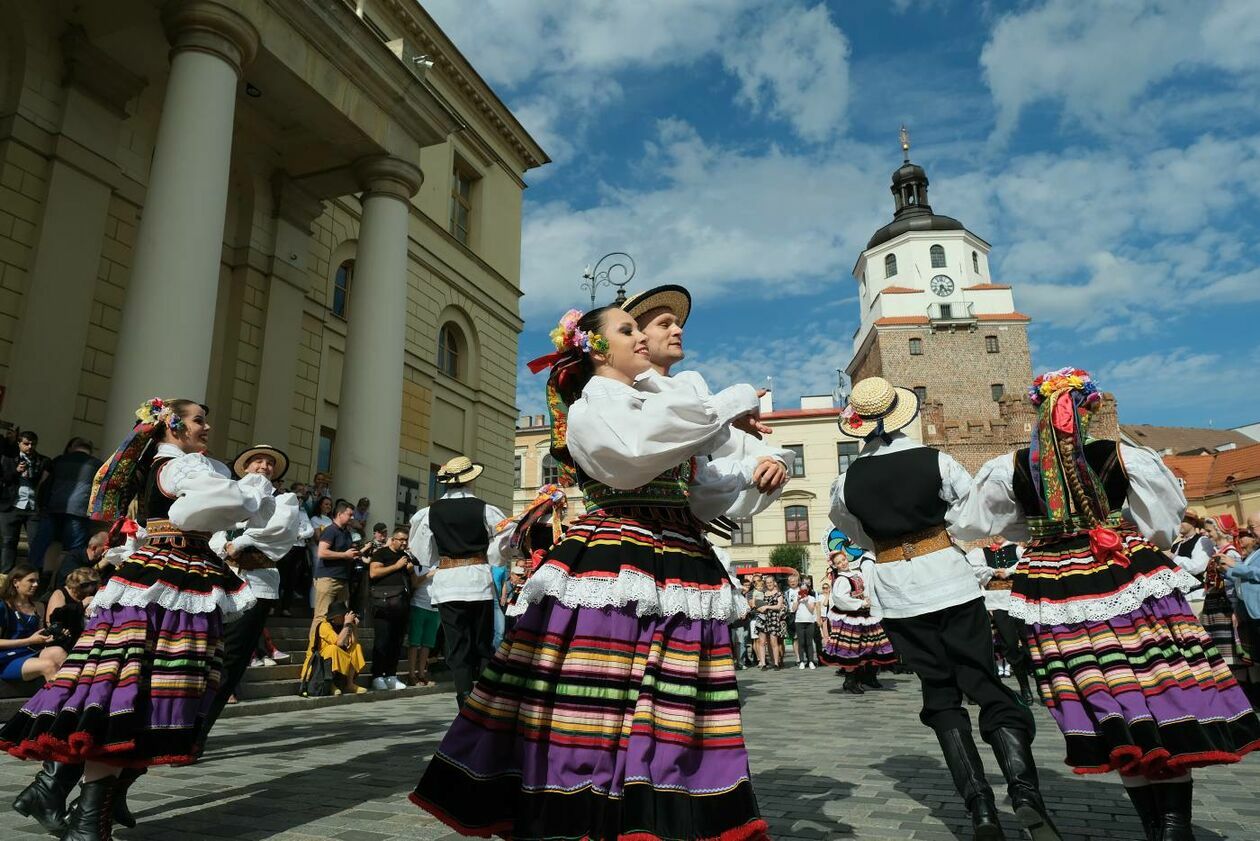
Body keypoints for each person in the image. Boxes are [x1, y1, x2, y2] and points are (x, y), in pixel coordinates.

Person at [411, 305, 770, 840]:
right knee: (597, 697)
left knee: (673, 700)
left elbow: (691, 490)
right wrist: (730, 403)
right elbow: (635, 452)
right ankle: (587, 816)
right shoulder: (591, 409)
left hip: (678, 558)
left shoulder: (660, 404)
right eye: (628, 330)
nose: (643, 337)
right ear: (596, 348)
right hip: (616, 559)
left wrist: (756, 466)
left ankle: (661, 814)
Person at [955, 368, 1260, 841]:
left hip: (1054, 586)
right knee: (1158, 681)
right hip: (1123, 567)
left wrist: (1041, 529)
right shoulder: (1123, 455)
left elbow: (976, 524)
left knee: (1103, 695)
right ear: (1090, 410)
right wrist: (1127, 534)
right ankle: (1174, 825)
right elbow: (1161, 523)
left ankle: (1155, 824)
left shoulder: (1011, 467)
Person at [2, 398, 270, 840]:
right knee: (139, 691)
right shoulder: (177, 467)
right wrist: (255, 484)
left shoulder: (173, 466)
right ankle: (85, 819)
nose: (207, 428)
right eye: (199, 421)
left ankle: (63, 797)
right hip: (166, 585)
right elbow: (212, 505)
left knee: (149, 691)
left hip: (173, 579)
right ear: (172, 426)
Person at [830, 376, 1053, 840]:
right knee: (984, 683)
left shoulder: (845, 481)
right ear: (899, 413)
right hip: (949, 581)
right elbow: (969, 517)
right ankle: (1025, 793)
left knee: (940, 694)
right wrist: (937, 532)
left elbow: (856, 534)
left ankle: (980, 810)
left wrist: (893, 540)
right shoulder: (937, 460)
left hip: (897, 590)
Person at [205, 444, 302, 728]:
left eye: (270, 463)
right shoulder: (226, 496)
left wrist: (241, 542)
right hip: (220, 578)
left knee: (233, 653)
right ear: (245, 467)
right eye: (257, 461)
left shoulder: (284, 500)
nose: (264, 466)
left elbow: (277, 531)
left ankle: (202, 725)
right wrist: (223, 546)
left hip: (256, 582)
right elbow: (213, 528)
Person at [407, 456, 509, 709]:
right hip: (478, 580)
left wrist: (440, 557)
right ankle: (486, 699)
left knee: (457, 643)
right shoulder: (485, 509)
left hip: (447, 582)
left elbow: (421, 553)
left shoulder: (429, 512)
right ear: (470, 479)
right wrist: (492, 556)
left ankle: (464, 696)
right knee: (482, 642)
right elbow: (503, 542)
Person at [821, 531, 897, 694]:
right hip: (852, 616)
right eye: (839, 562)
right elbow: (840, 598)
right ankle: (850, 681)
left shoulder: (856, 573)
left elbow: (866, 586)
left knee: (870, 646)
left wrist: (867, 600)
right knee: (851, 649)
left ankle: (868, 677)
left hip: (864, 614)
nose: (842, 563)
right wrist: (861, 602)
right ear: (835, 565)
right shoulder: (841, 579)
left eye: (843, 560)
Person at [965, 537, 1036, 706]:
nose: (997, 536)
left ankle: (1036, 684)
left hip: (1017, 599)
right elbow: (974, 571)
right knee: (1010, 644)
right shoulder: (982, 553)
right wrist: (991, 571)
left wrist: (1009, 571)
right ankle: (1022, 688)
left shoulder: (1015, 549)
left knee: (1029, 642)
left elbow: (1028, 561)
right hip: (996, 603)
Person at [29, 438, 102, 583]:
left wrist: (41, 505)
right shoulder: (97, 465)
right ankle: (66, 584)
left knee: (40, 546)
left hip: (53, 507)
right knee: (74, 551)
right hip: (79, 510)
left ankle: (31, 576)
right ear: (90, 450)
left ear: (72, 448)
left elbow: (44, 484)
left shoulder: (59, 460)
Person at [0, 564, 64, 684]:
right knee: (48, 665)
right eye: (31, 581)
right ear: (15, 582)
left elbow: (38, 637)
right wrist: (29, 640)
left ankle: (74, 697)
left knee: (58, 651)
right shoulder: (3, 606)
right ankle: (57, 701)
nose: (36, 584)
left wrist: (48, 637)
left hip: (30, 652)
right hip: (7, 658)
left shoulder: (38, 607)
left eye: (37, 581)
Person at [368, 527, 412, 691]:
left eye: (406, 540)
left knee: (396, 641)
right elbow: (373, 573)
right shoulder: (382, 553)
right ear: (393, 540)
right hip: (383, 604)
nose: (404, 542)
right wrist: (396, 566)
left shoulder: (405, 557)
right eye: (401, 539)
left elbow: (412, 580)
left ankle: (391, 675)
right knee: (382, 640)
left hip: (401, 605)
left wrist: (410, 570)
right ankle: (377, 675)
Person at [1, 430, 47, 573]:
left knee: (35, 543)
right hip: (11, 505)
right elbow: (3, 479)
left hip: (32, 506)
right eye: (26, 444)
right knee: (8, 542)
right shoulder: (7, 459)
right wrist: (15, 471)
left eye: (33, 444)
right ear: (19, 443)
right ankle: (4, 574)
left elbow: (46, 473)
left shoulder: (41, 460)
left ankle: (32, 575)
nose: (30, 447)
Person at [311, 500, 359, 635]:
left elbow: (346, 554)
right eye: (349, 514)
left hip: (342, 579)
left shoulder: (346, 533)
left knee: (341, 616)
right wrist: (344, 555)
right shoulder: (330, 530)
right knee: (321, 616)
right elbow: (322, 552)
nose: (352, 518)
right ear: (339, 514)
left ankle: (334, 647)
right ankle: (313, 651)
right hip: (328, 578)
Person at [301, 600, 366, 696]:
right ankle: (330, 684)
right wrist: (347, 624)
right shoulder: (324, 625)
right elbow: (339, 643)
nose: (345, 616)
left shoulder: (343, 625)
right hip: (320, 664)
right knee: (333, 648)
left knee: (356, 647)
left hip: (336, 658)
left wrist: (354, 626)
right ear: (336, 616)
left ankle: (349, 684)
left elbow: (354, 642)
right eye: (343, 614)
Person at [406, 547, 438, 687]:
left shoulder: (439, 561)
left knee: (427, 644)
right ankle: (411, 674)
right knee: (415, 642)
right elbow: (415, 583)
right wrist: (431, 574)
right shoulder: (417, 562)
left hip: (435, 607)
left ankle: (422, 674)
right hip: (418, 604)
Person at [1169, 513, 1213, 609]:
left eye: (1182, 520)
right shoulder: (1176, 545)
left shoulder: (1203, 540)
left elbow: (1197, 567)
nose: (1178, 524)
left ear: (1193, 522)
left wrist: (1173, 557)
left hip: (1195, 596)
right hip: (1179, 598)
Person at [793, 578, 818, 669]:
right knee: (801, 642)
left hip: (810, 621)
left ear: (807, 590)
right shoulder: (797, 597)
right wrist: (798, 601)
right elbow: (793, 609)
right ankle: (801, 661)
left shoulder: (812, 598)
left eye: (805, 589)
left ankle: (811, 661)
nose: (803, 591)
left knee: (809, 642)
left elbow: (812, 610)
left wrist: (806, 601)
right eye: (801, 589)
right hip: (799, 621)